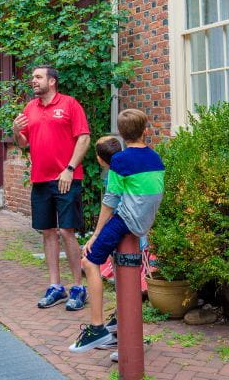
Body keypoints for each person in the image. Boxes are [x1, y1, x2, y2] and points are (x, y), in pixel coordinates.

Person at [70, 112, 164, 352]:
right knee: (122, 268)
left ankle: (97, 328)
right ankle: (119, 323)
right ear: (145, 130)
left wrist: (95, 233)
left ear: (121, 134)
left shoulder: (120, 161)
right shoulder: (156, 159)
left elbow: (110, 201)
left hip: (126, 220)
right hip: (144, 222)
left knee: (89, 261)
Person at [12, 65, 91, 311]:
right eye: (33, 77)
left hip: (66, 178)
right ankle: (56, 286)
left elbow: (84, 138)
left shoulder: (69, 104)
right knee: (48, 232)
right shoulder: (29, 108)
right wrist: (16, 131)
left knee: (67, 231)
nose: (33, 81)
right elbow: (23, 143)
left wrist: (69, 169)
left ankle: (78, 287)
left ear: (52, 81)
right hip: (40, 179)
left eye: (38, 77)